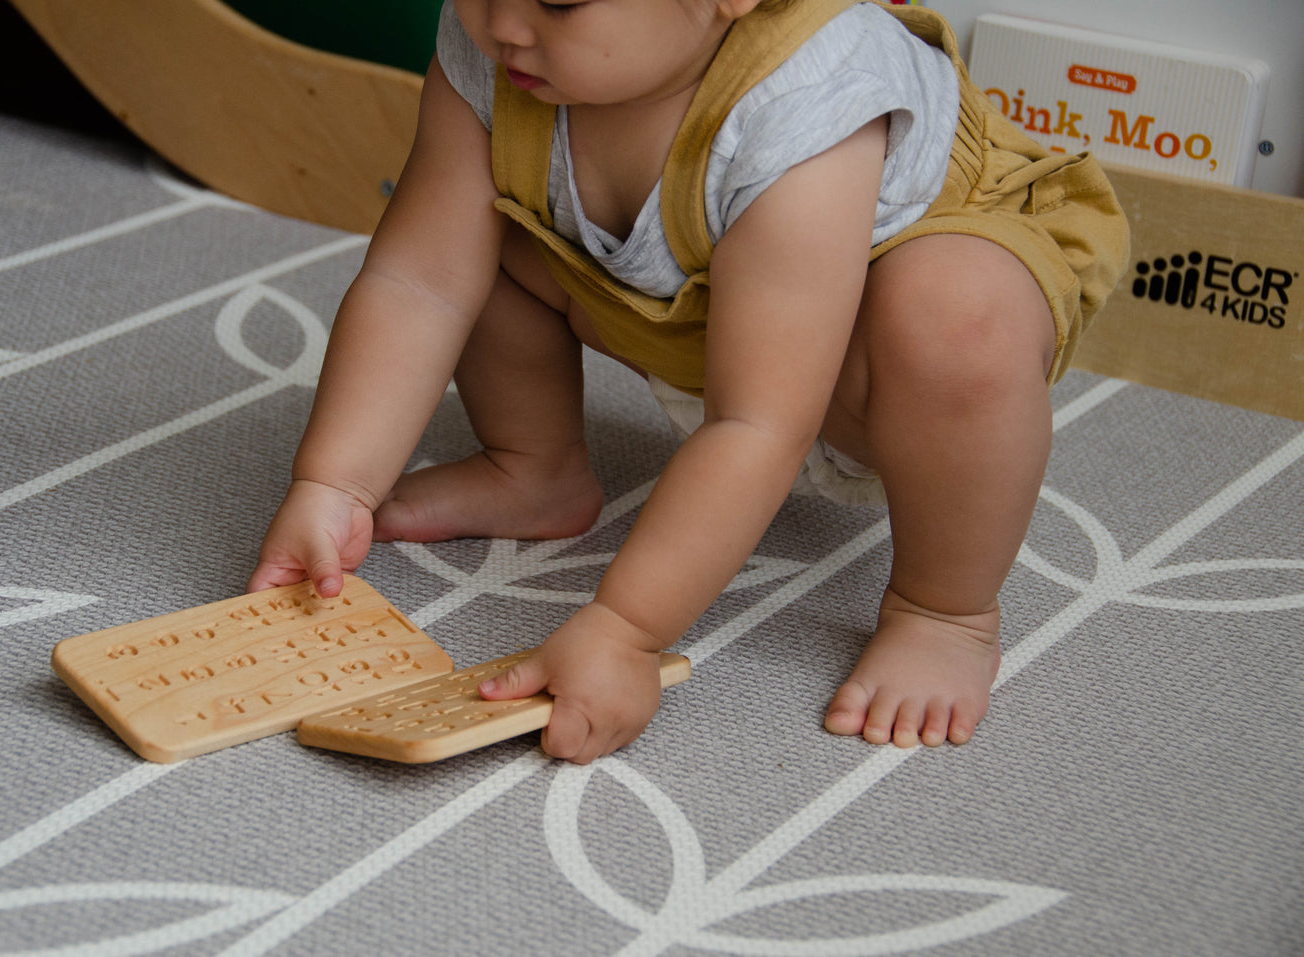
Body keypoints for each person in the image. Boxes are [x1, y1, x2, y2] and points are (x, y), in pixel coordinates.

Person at [248, 0, 1129, 763]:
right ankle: (532, 466)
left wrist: (625, 632)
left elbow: (758, 420)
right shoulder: (501, 48)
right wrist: (334, 481)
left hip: (864, 343)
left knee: (960, 323)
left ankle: (943, 609)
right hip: (696, 302)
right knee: (476, 228)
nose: (499, 23)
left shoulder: (807, 91)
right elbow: (419, 281)